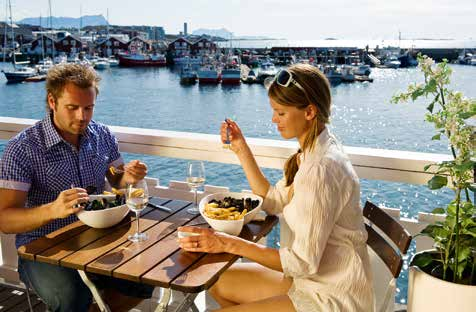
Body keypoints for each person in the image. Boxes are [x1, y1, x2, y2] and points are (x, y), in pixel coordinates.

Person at [178, 64, 374, 311]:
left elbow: (302, 263)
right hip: (313, 280)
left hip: (331, 297)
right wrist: (241, 148)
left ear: (309, 112)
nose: (274, 119)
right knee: (218, 282)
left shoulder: (320, 170)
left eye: (280, 113)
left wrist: (227, 243)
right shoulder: (313, 150)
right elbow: (272, 200)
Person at [0, 63, 154, 312]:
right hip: (41, 247)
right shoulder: (23, 148)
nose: (82, 117)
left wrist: (129, 177)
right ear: (52, 101)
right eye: (72, 108)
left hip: (98, 236)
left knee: (145, 278)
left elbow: (116, 181)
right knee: (72, 297)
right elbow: (5, 220)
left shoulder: (103, 135)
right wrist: (52, 209)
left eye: (88, 108)